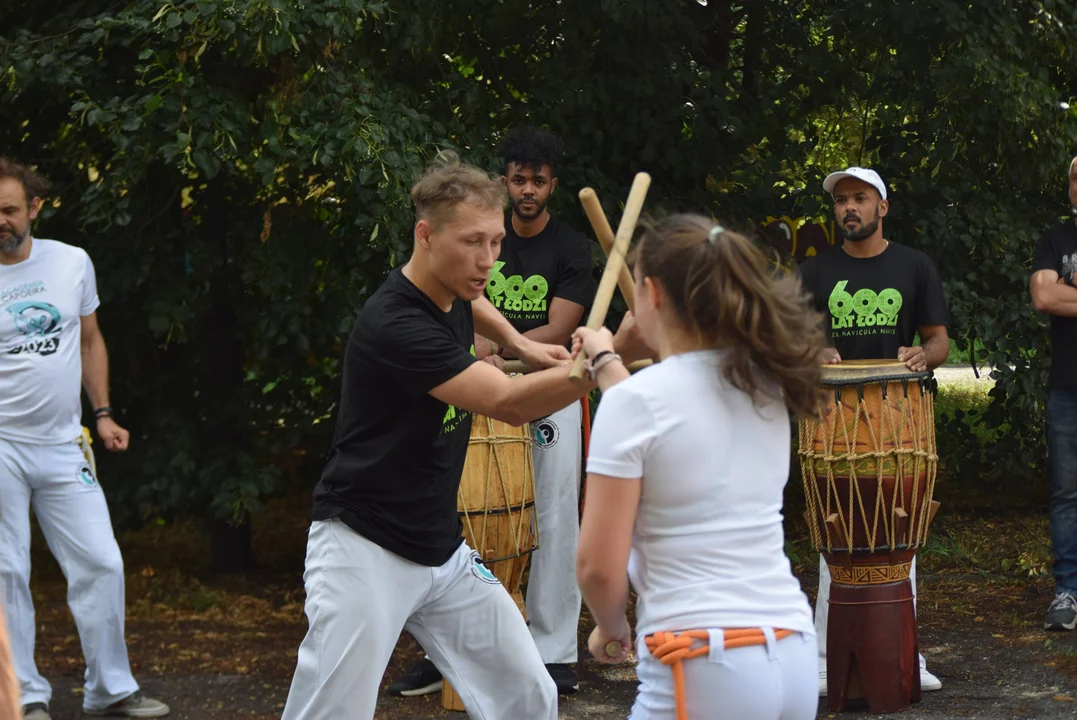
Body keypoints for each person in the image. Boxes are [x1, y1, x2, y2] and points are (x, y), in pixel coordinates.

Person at [279, 153, 648, 720]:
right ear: (425, 236)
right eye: (473, 242)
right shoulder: (395, 323)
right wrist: (613, 355)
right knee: (331, 713)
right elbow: (506, 403)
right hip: (363, 546)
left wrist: (521, 345)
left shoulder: (452, 291)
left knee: (527, 696)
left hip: (441, 551)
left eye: (497, 242)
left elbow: (476, 304)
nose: (489, 260)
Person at [574, 214, 822, 719]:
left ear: (653, 294)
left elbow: (597, 567)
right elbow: (669, 420)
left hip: (705, 658)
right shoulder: (765, 383)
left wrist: (612, 626)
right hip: (791, 650)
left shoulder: (639, 405)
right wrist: (605, 361)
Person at [388, 127, 594, 698]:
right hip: (468, 382)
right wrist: (478, 352)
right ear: (505, 179)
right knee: (465, 512)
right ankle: (445, 655)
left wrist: (500, 349)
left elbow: (557, 326)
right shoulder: (471, 236)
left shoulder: (570, 248)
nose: (528, 188)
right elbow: (457, 302)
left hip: (547, 389)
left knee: (554, 518)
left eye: (538, 179)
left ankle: (552, 652)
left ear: (553, 185)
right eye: (519, 178)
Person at [0, 158, 170, 719]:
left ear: (35, 209)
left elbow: (91, 340)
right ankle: (23, 697)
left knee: (102, 562)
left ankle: (111, 689)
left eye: (8, 210)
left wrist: (102, 413)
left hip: (61, 442)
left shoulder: (71, 263)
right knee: (7, 573)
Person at [797, 166, 949, 695]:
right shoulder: (814, 272)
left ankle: (907, 652)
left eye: (860, 198)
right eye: (841, 201)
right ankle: (822, 657)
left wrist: (920, 354)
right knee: (836, 530)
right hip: (832, 418)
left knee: (897, 531)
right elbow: (790, 339)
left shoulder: (914, 265)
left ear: (882, 206)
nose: (849, 208)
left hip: (897, 413)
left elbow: (938, 342)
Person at [1029, 153, 1077, 632]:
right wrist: (1060, 287)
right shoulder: (1055, 239)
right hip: (1067, 386)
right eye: (1076, 177)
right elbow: (1043, 296)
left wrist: (1071, 286)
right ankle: (1068, 592)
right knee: (1066, 495)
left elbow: (1059, 294)